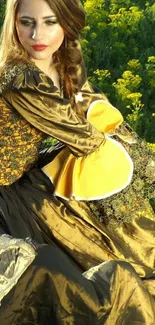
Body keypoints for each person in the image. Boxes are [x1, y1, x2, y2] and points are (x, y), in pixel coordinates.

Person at [0, 0, 155, 323]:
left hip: (24, 176)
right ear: (14, 25)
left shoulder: (63, 65)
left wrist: (135, 150)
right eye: (26, 22)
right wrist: (145, 163)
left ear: (67, 24)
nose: (37, 34)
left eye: (49, 22)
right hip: (5, 196)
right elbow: (83, 137)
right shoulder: (21, 78)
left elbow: (94, 107)